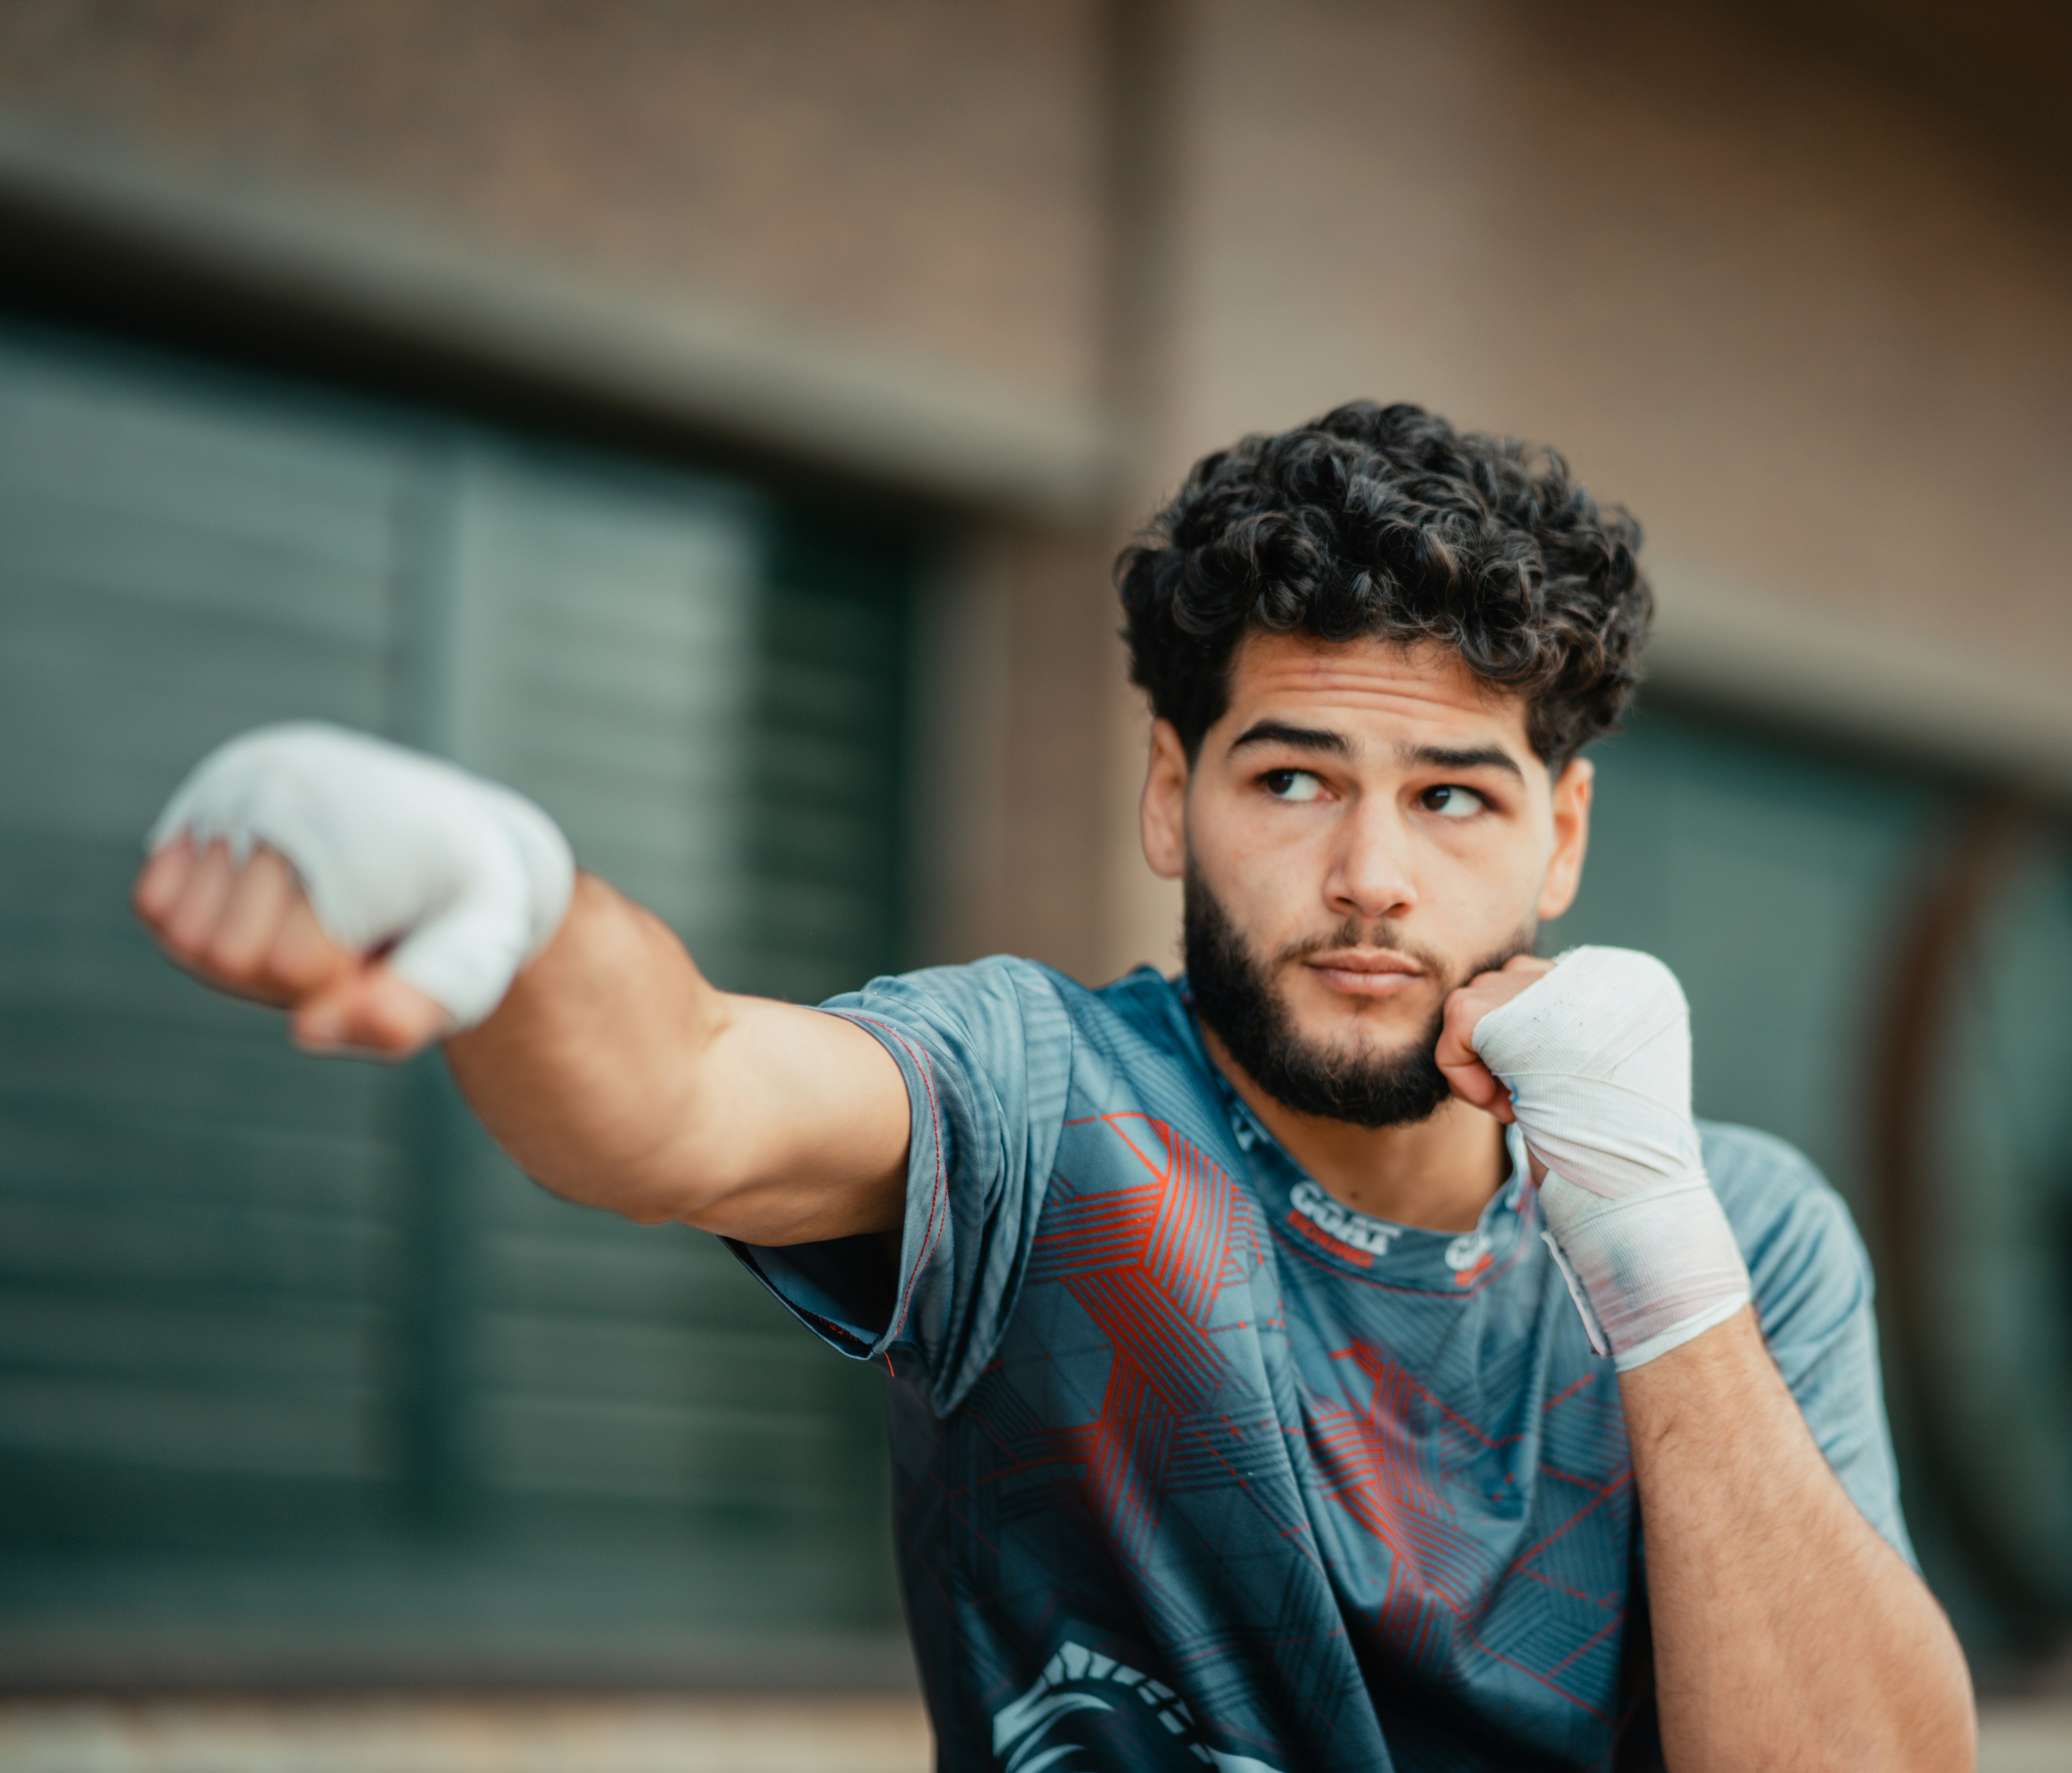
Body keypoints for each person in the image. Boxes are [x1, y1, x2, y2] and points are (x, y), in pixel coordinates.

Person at [131, 403, 1973, 1771]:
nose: (1371, 878)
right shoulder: (1050, 1104)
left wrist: (1650, 1237)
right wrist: (526, 913)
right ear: (1173, 793)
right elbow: (686, 1092)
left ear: (1560, 833)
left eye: (1454, 798)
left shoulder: (1750, 1232)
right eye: (1291, 779)